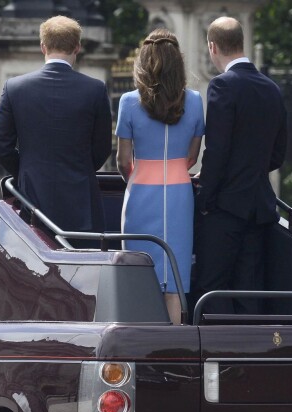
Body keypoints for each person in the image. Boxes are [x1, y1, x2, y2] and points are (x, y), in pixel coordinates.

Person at [193, 16, 287, 315]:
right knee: (250, 291)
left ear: (212, 46)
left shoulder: (223, 85)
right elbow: (278, 154)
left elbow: (217, 151)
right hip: (259, 207)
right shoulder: (271, 88)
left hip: (224, 208)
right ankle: (250, 359)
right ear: (241, 43)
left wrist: (205, 198)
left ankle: (216, 361)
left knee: (212, 289)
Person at [0, 15, 112, 236]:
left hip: (31, 202)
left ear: (42, 46)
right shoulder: (95, 90)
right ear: (77, 47)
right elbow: (102, 148)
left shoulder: (15, 88)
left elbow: (0, 147)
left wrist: (27, 170)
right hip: (81, 204)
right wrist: (79, 170)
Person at [115, 29, 204, 325]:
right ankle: (174, 353)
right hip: (179, 194)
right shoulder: (194, 100)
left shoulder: (128, 102)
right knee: (174, 277)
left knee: (140, 275)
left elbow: (123, 159)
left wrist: (139, 174)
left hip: (140, 192)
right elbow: (192, 157)